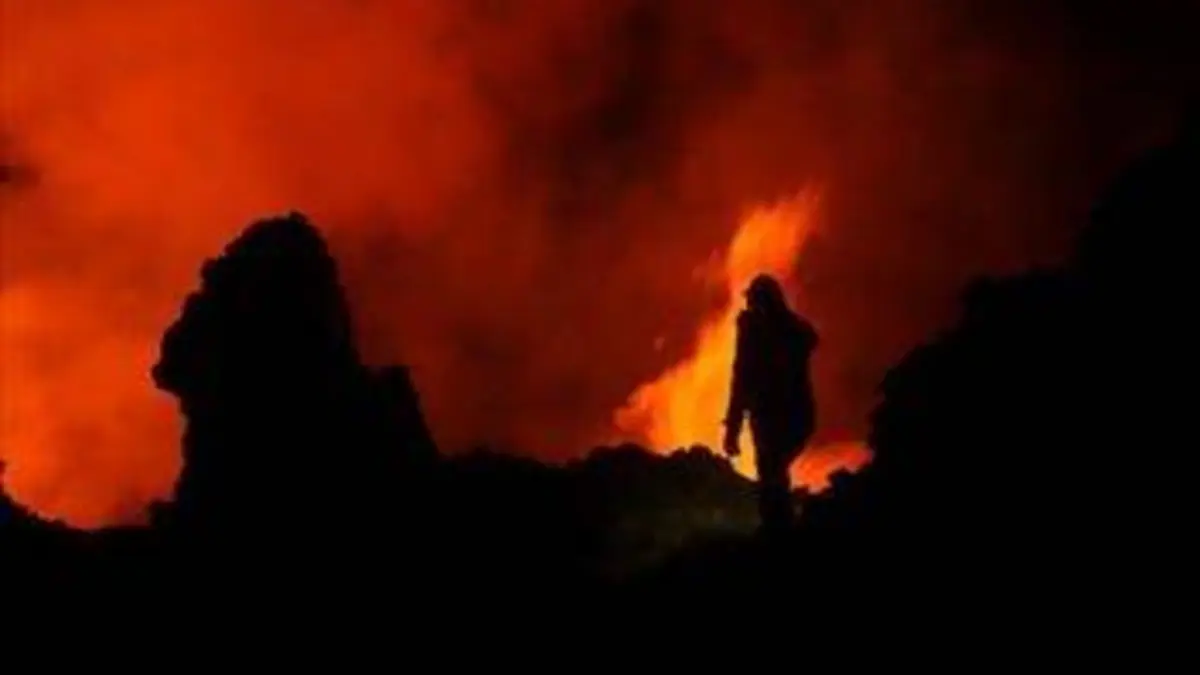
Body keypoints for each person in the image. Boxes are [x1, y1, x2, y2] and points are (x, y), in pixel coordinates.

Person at [722, 274, 819, 535]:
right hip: (794, 415)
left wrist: (732, 429)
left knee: (771, 475)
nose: (750, 306)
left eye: (753, 301)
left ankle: (778, 536)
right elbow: (809, 338)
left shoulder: (758, 333)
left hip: (776, 416)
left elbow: (741, 379)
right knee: (774, 474)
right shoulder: (792, 331)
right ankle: (781, 531)